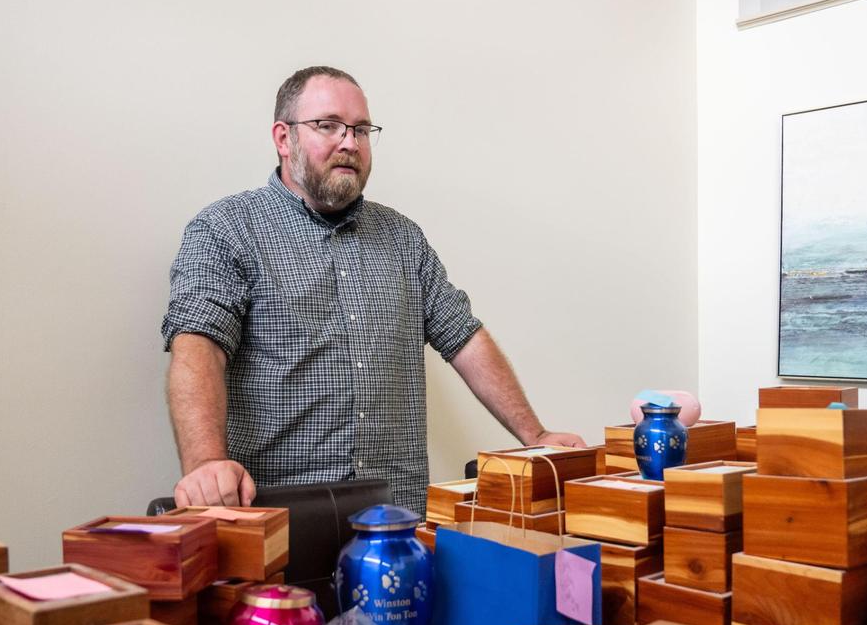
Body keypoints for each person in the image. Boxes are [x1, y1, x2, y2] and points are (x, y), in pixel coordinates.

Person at [162, 66, 584, 513]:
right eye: (328, 125)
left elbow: (465, 338)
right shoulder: (226, 229)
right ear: (284, 139)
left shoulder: (403, 238)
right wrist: (206, 463)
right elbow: (197, 346)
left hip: (399, 516)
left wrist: (535, 437)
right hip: (280, 517)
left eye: (361, 130)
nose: (349, 143)